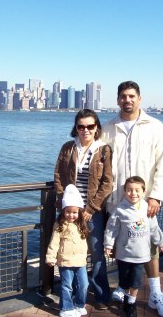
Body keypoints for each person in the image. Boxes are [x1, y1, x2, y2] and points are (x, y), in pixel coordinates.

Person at [102, 81, 163, 317]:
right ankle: (123, 288)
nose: (127, 100)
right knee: (119, 245)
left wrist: (156, 196)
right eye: (123, 96)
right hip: (116, 202)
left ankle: (155, 294)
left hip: (145, 203)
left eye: (132, 96)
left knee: (150, 248)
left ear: (140, 98)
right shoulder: (108, 128)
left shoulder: (155, 127)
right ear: (117, 100)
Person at [54, 108, 113, 309]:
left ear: (96, 127)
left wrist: (92, 207)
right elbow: (59, 177)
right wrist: (64, 204)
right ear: (76, 128)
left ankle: (102, 295)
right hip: (69, 212)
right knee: (68, 251)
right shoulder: (68, 148)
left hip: (92, 212)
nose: (85, 130)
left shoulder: (103, 149)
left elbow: (107, 182)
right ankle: (70, 292)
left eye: (90, 126)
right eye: (81, 126)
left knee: (96, 254)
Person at [104, 176, 163, 317]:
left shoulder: (147, 209)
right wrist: (108, 244)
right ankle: (126, 297)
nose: (133, 193)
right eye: (129, 190)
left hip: (141, 254)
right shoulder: (119, 210)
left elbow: (154, 229)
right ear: (124, 191)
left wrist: (159, 241)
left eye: (137, 190)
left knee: (136, 281)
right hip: (124, 253)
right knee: (125, 281)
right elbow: (111, 229)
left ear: (144, 192)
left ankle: (131, 303)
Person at [46, 184, 90, 317]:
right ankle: (66, 308)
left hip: (81, 261)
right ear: (63, 211)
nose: (71, 215)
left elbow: (83, 243)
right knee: (67, 286)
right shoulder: (60, 225)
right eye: (68, 212)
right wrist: (50, 257)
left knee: (84, 284)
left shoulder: (82, 225)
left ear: (80, 212)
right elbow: (54, 242)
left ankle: (79, 304)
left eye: (75, 212)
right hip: (65, 260)